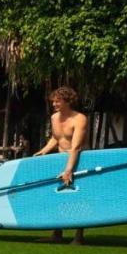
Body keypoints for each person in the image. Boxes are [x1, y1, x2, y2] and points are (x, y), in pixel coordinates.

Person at [33, 85, 88, 244]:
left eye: (58, 101)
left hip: (78, 160)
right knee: (56, 195)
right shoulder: (54, 118)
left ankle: (79, 236)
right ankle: (57, 234)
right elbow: (56, 138)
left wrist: (69, 170)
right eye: (53, 102)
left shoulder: (80, 119)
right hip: (59, 158)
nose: (54, 104)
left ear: (67, 101)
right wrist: (43, 151)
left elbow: (75, 147)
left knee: (78, 197)